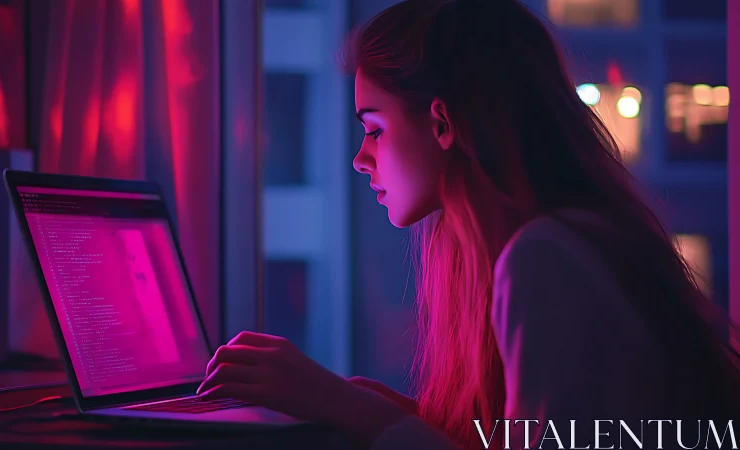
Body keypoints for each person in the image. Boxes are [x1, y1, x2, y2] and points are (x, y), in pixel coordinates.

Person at [196, 0, 740, 449]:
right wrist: (384, 409)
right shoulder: (569, 239)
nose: (360, 159)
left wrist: (344, 405)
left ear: (442, 123)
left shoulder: (544, 259)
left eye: (375, 129)